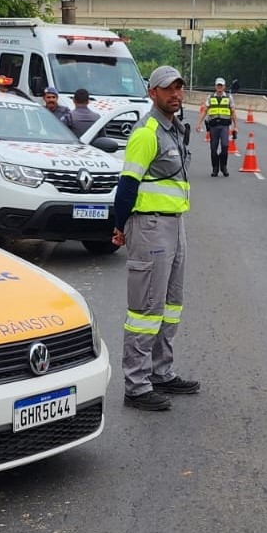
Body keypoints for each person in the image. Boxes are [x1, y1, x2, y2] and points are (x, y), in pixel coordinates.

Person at [112, 65, 199, 411]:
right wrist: (120, 227)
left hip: (175, 225)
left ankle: (161, 372)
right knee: (145, 309)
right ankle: (136, 384)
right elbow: (127, 186)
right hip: (149, 227)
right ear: (152, 93)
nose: (175, 94)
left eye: (179, 88)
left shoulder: (174, 129)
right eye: (167, 89)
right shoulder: (147, 132)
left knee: (171, 306)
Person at [196, 77, 239, 176]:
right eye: (218, 85)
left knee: (225, 146)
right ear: (215, 86)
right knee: (213, 148)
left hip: (224, 126)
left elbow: (233, 112)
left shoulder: (228, 97)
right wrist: (199, 123)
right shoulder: (210, 97)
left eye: (221, 85)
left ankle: (223, 166)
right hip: (213, 126)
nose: (219, 87)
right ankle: (215, 168)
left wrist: (235, 126)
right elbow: (204, 111)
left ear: (224, 86)